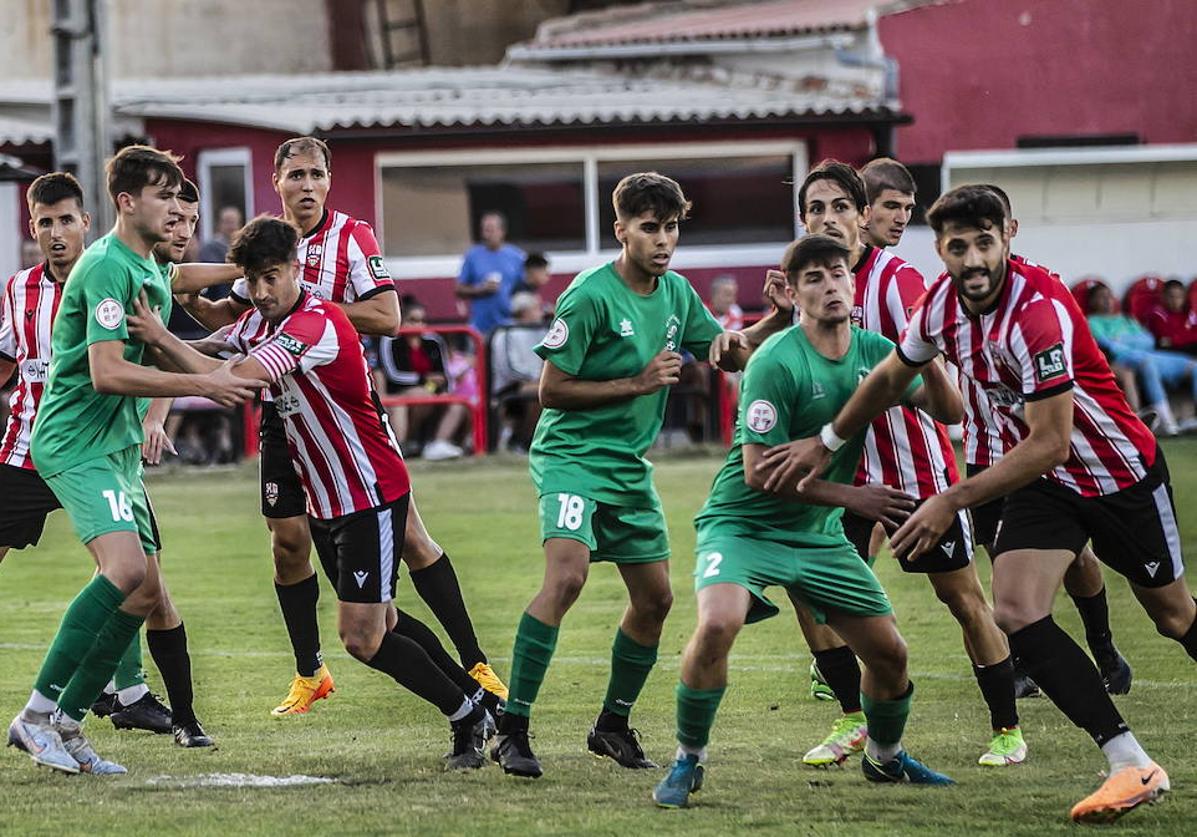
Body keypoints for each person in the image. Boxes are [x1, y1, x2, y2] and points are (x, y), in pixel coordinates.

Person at [773, 184, 1195, 823]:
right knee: (1018, 611)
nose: (971, 260)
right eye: (957, 246)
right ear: (940, 249)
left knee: (1173, 616)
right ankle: (1129, 762)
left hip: (1116, 475)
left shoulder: (1039, 312)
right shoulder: (939, 304)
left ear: (1009, 236)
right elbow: (892, 374)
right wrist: (829, 438)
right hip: (1043, 482)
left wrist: (949, 498)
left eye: (984, 243)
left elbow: (1053, 442)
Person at [128, 214, 493, 770]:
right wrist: (156, 341)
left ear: (298, 270)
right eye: (252, 280)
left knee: (362, 637)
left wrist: (159, 337)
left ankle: (466, 711)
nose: (261, 291)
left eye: (272, 277)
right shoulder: (259, 321)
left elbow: (234, 380)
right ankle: (474, 704)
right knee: (384, 624)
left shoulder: (314, 324)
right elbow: (209, 349)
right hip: (327, 500)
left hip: (368, 494)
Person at [174, 137, 507, 716]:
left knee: (410, 545)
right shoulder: (261, 254)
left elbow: (386, 315)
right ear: (276, 182)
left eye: (316, 175)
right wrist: (185, 302)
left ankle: (475, 666)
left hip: (347, 415)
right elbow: (229, 323)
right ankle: (311, 672)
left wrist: (306, 312)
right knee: (288, 546)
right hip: (286, 413)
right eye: (295, 176)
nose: (306, 186)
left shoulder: (350, 240)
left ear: (328, 181)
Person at [653, 234, 959, 808]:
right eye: (813, 278)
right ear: (793, 294)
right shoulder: (775, 360)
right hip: (743, 525)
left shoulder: (877, 351)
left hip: (815, 534)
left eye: (837, 273)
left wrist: (926, 348)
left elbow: (950, 411)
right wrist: (855, 499)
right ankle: (688, 758)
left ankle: (886, 760)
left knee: (890, 655)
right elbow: (757, 473)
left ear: (852, 282)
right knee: (718, 624)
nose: (830, 285)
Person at [744, 161, 1024, 768]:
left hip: (911, 471)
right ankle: (852, 720)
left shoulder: (896, 281)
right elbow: (770, 362)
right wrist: (767, 321)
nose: (828, 219)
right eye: (815, 210)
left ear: (862, 214)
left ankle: (1007, 726)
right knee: (811, 594)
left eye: (840, 208)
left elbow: (935, 367)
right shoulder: (805, 283)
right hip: (841, 478)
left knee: (962, 599)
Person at [6, 147, 261, 775]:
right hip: (73, 441)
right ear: (126, 202)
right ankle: (36, 718)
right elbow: (109, 371)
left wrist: (230, 358)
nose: (175, 207)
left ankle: (69, 725)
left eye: (179, 196)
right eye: (162, 195)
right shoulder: (106, 268)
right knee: (121, 571)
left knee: (144, 592)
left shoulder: (147, 267)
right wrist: (206, 382)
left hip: (114, 449)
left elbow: (169, 341)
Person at [491, 172, 734, 779]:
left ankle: (612, 725)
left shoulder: (677, 293)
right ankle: (513, 728)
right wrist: (637, 382)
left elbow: (725, 349)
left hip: (628, 467)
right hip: (572, 456)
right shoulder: (589, 295)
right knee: (567, 578)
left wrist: (776, 323)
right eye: (650, 228)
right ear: (621, 229)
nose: (663, 240)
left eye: (671, 227)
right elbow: (550, 391)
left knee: (656, 599)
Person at [967, 186, 1131, 699]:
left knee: (1076, 554)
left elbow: (1078, 366)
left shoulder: (1045, 291)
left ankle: (1103, 649)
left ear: (1009, 231)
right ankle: (1020, 660)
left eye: (987, 231)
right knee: (1000, 554)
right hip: (982, 446)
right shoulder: (949, 293)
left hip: (1040, 445)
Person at [1086, 283, 1197, 436]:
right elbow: (1109, 346)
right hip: (1124, 359)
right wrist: (1132, 341)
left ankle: (1191, 418)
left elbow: (1149, 341)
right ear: (1092, 302)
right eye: (1101, 296)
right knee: (1147, 364)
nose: (1107, 300)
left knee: (1194, 366)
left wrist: (1120, 339)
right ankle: (1167, 422)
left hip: (1150, 354)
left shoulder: (1127, 319)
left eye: (1109, 296)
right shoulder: (1092, 321)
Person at [371, 296, 451, 451]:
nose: (418, 325)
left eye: (422, 320)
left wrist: (440, 384)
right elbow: (392, 374)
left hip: (432, 389)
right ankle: (404, 445)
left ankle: (439, 444)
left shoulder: (434, 341)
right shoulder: (390, 340)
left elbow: (444, 372)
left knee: (455, 402)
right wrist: (423, 378)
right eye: (413, 320)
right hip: (400, 390)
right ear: (402, 321)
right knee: (417, 396)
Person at [490, 291, 547, 452]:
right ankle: (522, 439)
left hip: (536, 381)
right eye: (537, 308)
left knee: (551, 388)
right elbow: (508, 368)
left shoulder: (541, 329)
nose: (541, 312)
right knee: (542, 391)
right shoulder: (505, 332)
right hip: (509, 385)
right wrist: (535, 378)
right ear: (524, 312)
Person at [456, 211, 525, 336]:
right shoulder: (473, 255)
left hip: (508, 325)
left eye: (490, 230)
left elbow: (524, 288)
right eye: (484, 230)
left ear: (502, 231)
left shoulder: (516, 256)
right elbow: (459, 290)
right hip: (480, 326)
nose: (486, 234)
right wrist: (481, 289)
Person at [858, 158, 918, 249]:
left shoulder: (894, 263)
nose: (902, 219)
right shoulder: (832, 261)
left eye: (908, 208)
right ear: (863, 210)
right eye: (892, 207)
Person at [1149, 279, 1197, 355]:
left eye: (1179, 297)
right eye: (1171, 297)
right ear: (1163, 297)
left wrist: (1176, 339)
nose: (1175, 300)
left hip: (1183, 346)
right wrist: (1186, 335)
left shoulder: (1189, 313)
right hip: (1167, 351)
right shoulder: (1157, 313)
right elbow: (1164, 338)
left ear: (1184, 298)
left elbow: (1171, 339)